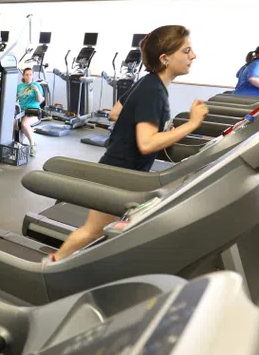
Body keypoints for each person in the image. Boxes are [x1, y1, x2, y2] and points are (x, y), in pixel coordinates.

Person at [46, 25, 209, 263]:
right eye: (187, 51)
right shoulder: (155, 91)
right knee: (93, 231)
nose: (193, 56)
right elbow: (146, 143)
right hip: (120, 174)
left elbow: (116, 112)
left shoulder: (149, 82)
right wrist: (192, 124)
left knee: (107, 232)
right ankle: (49, 268)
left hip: (121, 170)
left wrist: (161, 130)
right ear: (165, 59)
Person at [17, 67, 45, 154]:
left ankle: (32, 145)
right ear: (23, 76)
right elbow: (14, 98)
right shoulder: (19, 87)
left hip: (34, 111)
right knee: (14, 124)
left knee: (24, 124)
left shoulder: (37, 86)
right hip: (21, 111)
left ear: (32, 76)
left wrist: (36, 91)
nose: (28, 76)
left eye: (30, 75)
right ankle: (18, 143)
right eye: (26, 75)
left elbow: (40, 100)